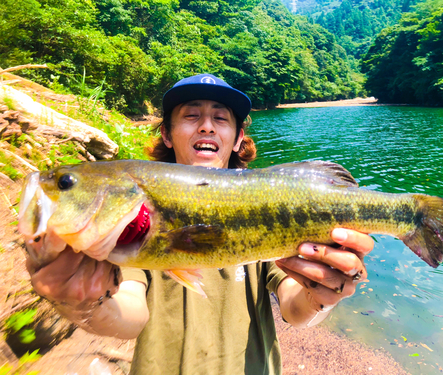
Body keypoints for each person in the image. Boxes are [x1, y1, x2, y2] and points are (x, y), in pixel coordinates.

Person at [27, 74, 374, 374]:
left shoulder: (266, 203)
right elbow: (128, 314)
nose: (206, 125)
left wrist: (324, 295)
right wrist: (83, 302)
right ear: (167, 134)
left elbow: (295, 308)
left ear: (238, 138)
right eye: (191, 115)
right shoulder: (128, 224)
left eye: (220, 119)